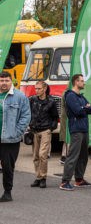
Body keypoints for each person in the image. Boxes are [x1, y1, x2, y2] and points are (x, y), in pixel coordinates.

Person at [59, 74, 91, 191]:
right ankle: (65, 181)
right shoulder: (70, 96)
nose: (84, 83)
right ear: (76, 82)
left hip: (84, 129)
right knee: (73, 155)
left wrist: (85, 108)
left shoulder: (81, 97)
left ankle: (79, 179)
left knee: (84, 156)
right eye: (82, 81)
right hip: (76, 129)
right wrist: (85, 108)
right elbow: (77, 110)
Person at [0, 71, 30, 202]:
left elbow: (25, 116)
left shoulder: (19, 96)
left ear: (11, 81)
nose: (4, 83)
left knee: (7, 167)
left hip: (10, 139)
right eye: (1, 80)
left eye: (7, 80)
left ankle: (7, 192)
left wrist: (17, 132)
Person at [29, 81, 59, 188]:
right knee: (36, 156)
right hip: (35, 130)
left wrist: (51, 128)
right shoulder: (32, 100)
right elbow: (29, 113)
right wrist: (29, 124)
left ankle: (43, 177)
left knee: (43, 154)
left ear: (44, 89)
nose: (36, 91)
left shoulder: (51, 101)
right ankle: (38, 177)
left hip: (46, 130)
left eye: (39, 89)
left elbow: (55, 116)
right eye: (35, 88)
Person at [59, 90, 69, 165]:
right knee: (68, 138)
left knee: (66, 138)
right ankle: (65, 156)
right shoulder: (67, 94)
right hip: (67, 118)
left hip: (64, 117)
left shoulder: (65, 93)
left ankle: (64, 155)